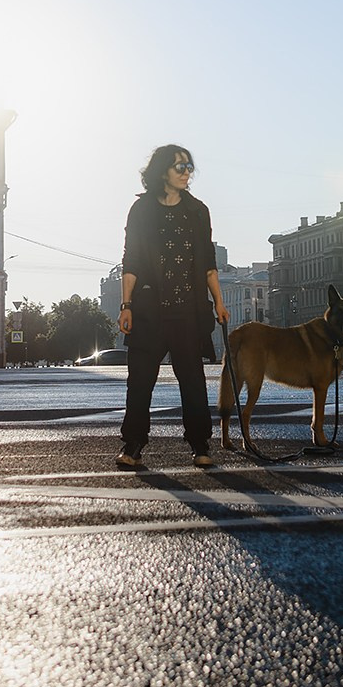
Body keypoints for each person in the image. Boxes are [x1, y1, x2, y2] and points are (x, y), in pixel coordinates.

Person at [116, 144, 228, 470]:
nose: (186, 172)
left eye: (189, 167)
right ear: (162, 171)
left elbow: (208, 264)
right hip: (148, 310)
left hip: (188, 312)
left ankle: (200, 445)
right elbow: (131, 260)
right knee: (140, 382)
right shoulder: (141, 210)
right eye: (179, 166)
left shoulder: (198, 211)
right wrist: (126, 305)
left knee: (192, 382)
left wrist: (219, 303)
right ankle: (133, 445)